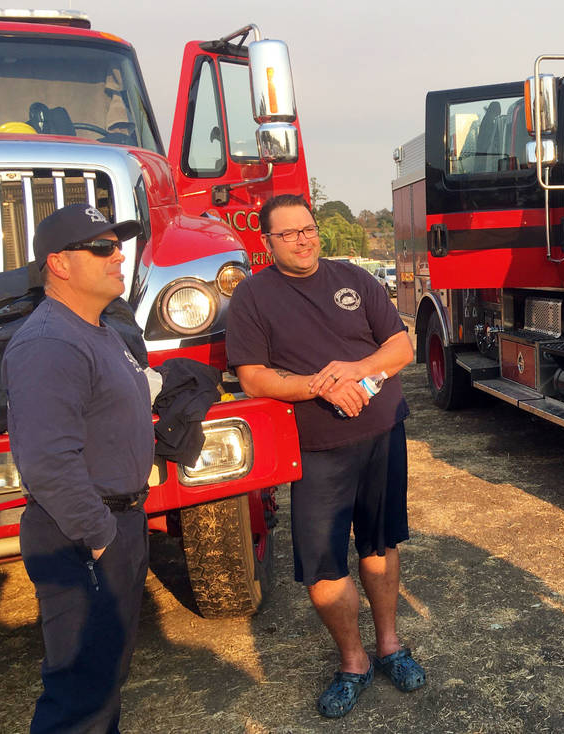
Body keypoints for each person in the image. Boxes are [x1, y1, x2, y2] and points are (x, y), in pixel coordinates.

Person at [225, 193, 424, 718]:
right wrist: (319, 386)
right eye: (288, 233)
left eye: (308, 229)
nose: (303, 239)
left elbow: (401, 347)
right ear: (267, 242)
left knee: (380, 544)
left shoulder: (354, 280)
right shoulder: (252, 297)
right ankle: (353, 662)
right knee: (322, 567)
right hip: (313, 449)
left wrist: (354, 370)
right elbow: (253, 376)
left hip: (382, 433)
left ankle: (389, 647)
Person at [3, 203, 153, 733]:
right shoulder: (49, 343)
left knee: (105, 677)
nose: (119, 256)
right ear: (59, 264)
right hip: (80, 535)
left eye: (119, 245)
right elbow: (46, 459)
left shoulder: (98, 330)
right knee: (78, 695)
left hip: (118, 525)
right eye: (102, 248)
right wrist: (100, 535)